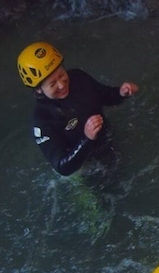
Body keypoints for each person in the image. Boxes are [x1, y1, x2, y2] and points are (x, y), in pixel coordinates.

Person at [17, 41, 139, 176]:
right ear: (39, 90)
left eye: (62, 75)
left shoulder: (79, 78)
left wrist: (121, 93)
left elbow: (106, 96)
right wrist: (86, 138)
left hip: (106, 144)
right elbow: (62, 167)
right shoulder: (42, 119)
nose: (62, 85)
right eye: (52, 84)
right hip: (82, 169)